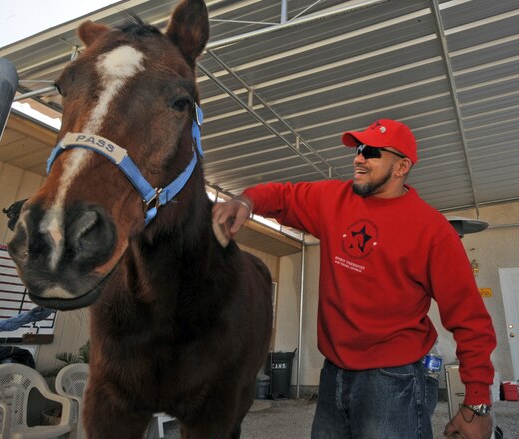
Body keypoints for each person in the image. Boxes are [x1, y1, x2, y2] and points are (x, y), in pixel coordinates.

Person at [213, 119, 497, 439]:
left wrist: (477, 403)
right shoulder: (333, 199)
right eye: (359, 149)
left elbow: (471, 320)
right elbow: (283, 196)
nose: (358, 158)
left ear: (402, 166)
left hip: (392, 381)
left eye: (372, 151)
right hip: (333, 373)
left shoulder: (433, 232)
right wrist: (246, 202)